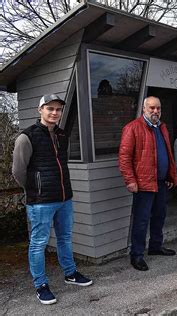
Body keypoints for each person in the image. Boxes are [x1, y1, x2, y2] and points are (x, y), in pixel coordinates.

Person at [12, 94, 93, 305]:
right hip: (41, 202)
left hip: (65, 198)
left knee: (65, 238)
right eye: (50, 108)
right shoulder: (26, 137)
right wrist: (35, 189)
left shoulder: (62, 134)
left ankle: (71, 273)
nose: (54, 112)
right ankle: (41, 284)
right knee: (38, 243)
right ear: (40, 110)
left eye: (58, 109)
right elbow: (18, 171)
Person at [119, 96, 177, 271]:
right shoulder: (132, 128)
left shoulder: (162, 127)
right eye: (152, 108)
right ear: (144, 109)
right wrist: (130, 181)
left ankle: (155, 246)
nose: (155, 111)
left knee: (159, 216)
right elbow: (124, 158)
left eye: (158, 108)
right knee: (141, 220)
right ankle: (136, 255)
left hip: (161, 182)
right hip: (143, 184)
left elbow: (166, 154)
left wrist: (170, 175)